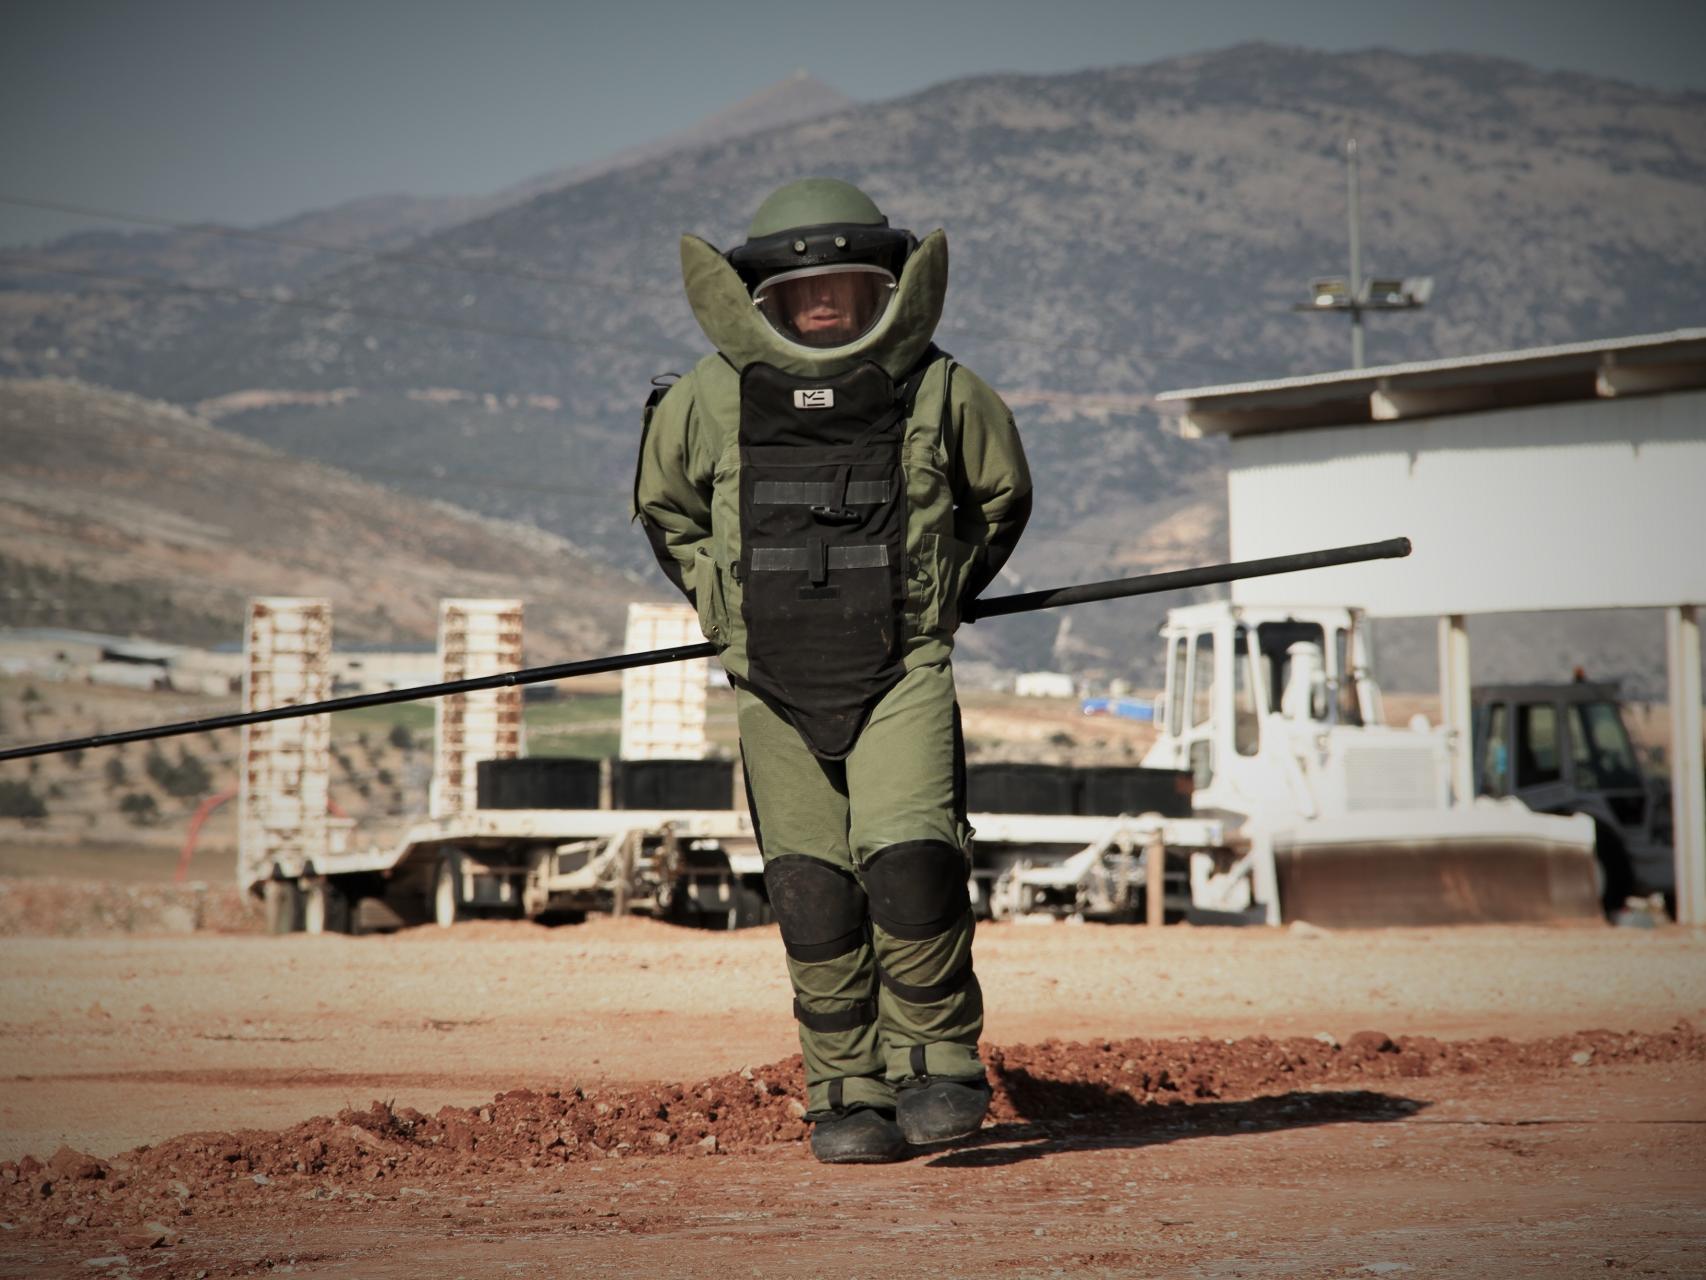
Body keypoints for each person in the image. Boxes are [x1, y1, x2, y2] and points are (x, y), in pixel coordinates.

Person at [633, 177, 1031, 1163]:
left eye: (844, 284)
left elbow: (998, 495)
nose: (820, 301)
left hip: (901, 667)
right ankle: (843, 1089)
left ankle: (937, 1062)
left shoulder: (941, 389)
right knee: (809, 889)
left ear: (884, 289)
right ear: (760, 294)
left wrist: (940, 596)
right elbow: (667, 510)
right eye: (799, 285)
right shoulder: (704, 396)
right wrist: (723, 611)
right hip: (769, 680)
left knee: (910, 861)